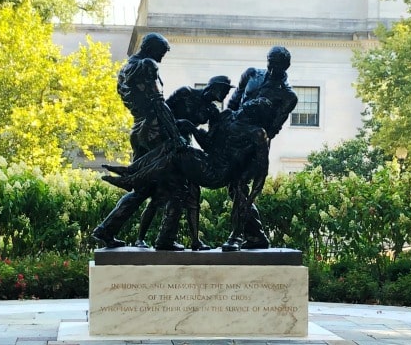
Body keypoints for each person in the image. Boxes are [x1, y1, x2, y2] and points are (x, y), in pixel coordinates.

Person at [102, 96, 274, 252]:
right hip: (207, 161)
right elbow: (207, 143)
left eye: (258, 106)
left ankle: (131, 178)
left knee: (178, 152)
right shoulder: (228, 117)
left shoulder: (257, 133)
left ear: (257, 114)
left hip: (217, 174)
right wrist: (192, 127)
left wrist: (251, 196)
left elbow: (262, 170)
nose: (252, 104)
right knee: (175, 146)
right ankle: (131, 171)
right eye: (254, 102)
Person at [91, 33, 187, 250]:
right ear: (152, 48)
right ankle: (166, 240)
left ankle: (107, 230)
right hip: (155, 131)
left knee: (141, 188)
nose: (162, 57)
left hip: (138, 130)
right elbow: (158, 103)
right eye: (162, 51)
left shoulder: (125, 69)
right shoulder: (147, 65)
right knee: (179, 186)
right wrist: (175, 135)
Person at [132, 75, 235, 251]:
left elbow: (209, 142)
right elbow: (162, 115)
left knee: (193, 193)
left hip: (186, 149)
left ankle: (195, 240)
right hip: (167, 145)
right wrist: (182, 125)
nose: (225, 95)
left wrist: (196, 130)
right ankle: (140, 238)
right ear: (214, 87)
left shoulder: (212, 111)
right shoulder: (185, 93)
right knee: (158, 195)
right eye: (224, 90)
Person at [224, 46, 298, 249]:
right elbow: (233, 101)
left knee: (239, 186)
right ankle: (256, 235)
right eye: (270, 64)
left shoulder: (288, 96)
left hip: (256, 141)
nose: (272, 70)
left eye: (278, 66)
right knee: (233, 187)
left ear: (286, 67)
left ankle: (237, 236)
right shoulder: (251, 74)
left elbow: (273, 128)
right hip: (233, 134)